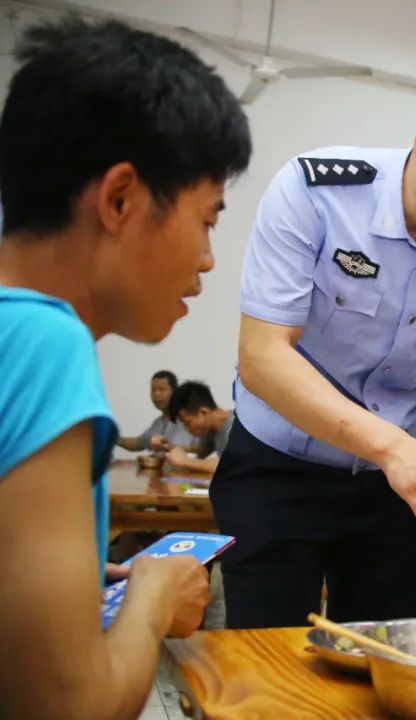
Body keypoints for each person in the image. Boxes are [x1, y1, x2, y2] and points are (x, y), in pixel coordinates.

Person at [212, 59, 416, 628]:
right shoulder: (317, 193)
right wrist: (392, 448)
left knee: (387, 663)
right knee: (268, 670)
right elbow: (264, 356)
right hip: (279, 469)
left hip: (400, 491)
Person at [0, 17, 250, 718]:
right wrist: (150, 595)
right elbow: (68, 707)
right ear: (119, 200)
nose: (206, 258)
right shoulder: (45, 344)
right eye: (206, 220)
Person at [115, 370, 196, 452]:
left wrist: (166, 446)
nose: (156, 394)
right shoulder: (158, 423)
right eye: (153, 390)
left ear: (175, 392)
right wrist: (112, 438)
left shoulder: (188, 420)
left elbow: (201, 448)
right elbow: (138, 442)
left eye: (162, 389)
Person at [165, 381, 235, 473]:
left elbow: (232, 466)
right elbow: (203, 449)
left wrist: (184, 461)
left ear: (203, 412)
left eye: (187, 423)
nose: (187, 429)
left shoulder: (235, 426)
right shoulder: (213, 429)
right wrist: (175, 449)